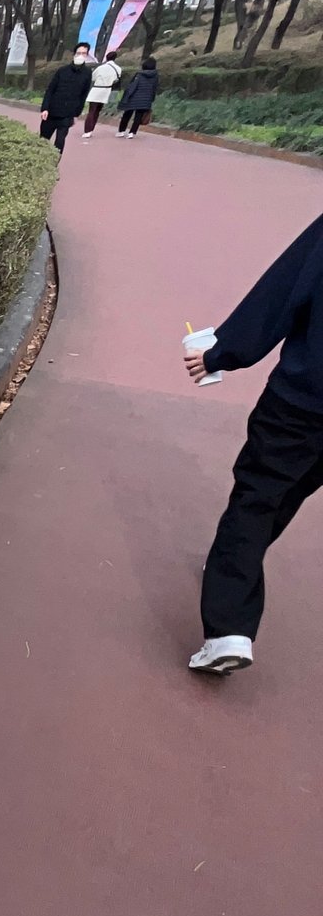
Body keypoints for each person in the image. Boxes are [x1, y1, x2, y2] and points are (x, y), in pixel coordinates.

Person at [185, 212, 323, 675]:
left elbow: (280, 294)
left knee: (257, 499)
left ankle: (228, 629)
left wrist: (219, 353)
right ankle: (232, 570)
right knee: (286, 494)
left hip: (304, 399)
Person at [39, 44, 93, 151]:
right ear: (74, 54)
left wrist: (76, 114)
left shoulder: (87, 73)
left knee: (60, 142)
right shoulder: (62, 70)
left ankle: (55, 160)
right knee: (43, 140)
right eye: (78, 53)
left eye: (84, 53)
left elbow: (83, 95)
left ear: (87, 55)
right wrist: (45, 108)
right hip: (52, 111)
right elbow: (50, 90)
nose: (80, 55)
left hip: (68, 114)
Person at [81, 52, 122, 137]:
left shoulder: (100, 67)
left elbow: (93, 77)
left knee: (92, 110)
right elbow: (116, 80)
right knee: (97, 111)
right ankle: (91, 129)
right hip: (106, 90)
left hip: (96, 89)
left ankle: (87, 130)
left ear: (106, 58)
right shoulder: (118, 69)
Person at [118, 55, 159, 135]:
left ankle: (121, 131)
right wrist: (151, 98)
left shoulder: (139, 74)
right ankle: (132, 132)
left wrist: (126, 96)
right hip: (146, 99)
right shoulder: (155, 76)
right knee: (139, 116)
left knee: (127, 114)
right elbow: (154, 88)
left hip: (134, 97)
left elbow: (133, 86)